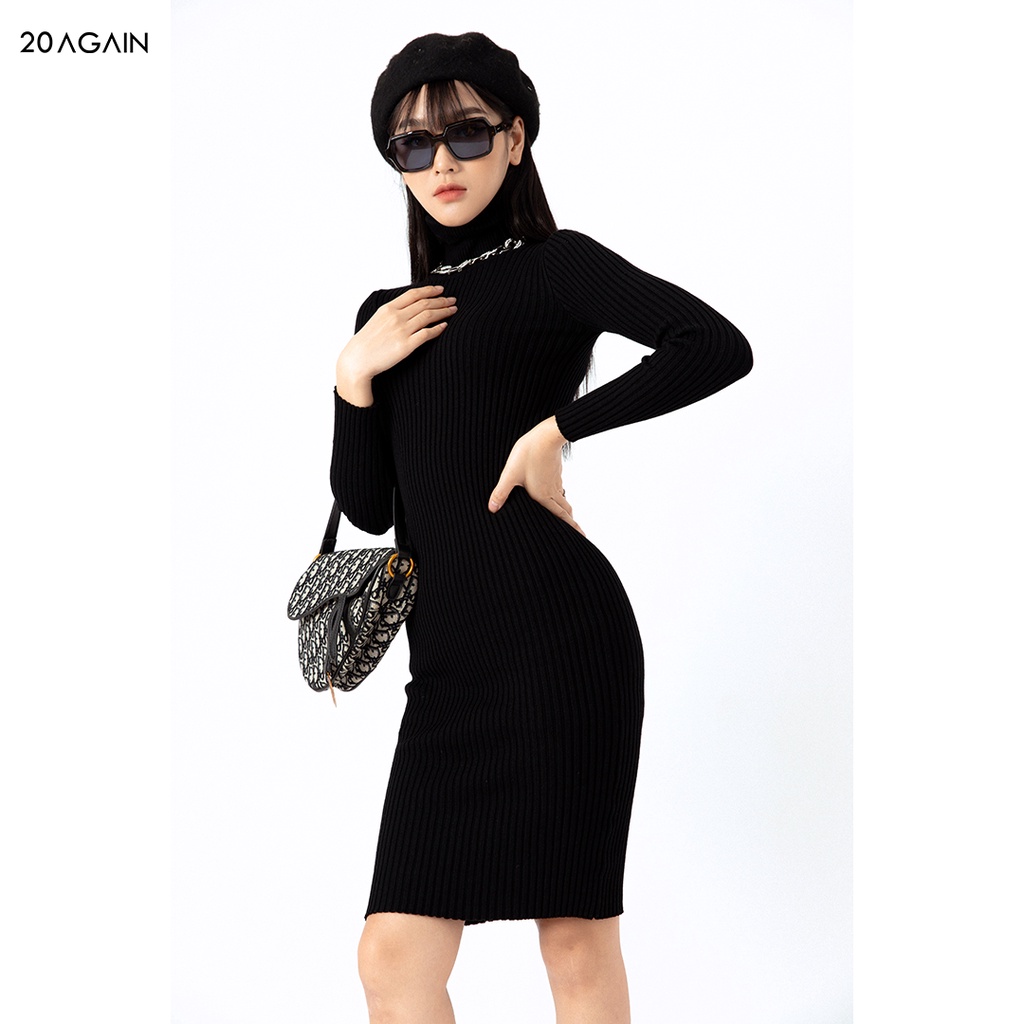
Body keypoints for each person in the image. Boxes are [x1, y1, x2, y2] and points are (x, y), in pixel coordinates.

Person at [330, 31, 753, 1024]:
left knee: (572, 938)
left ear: (515, 140)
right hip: (447, 666)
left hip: (559, 640)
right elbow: (370, 507)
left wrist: (557, 428)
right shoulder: (386, 314)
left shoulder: (556, 268)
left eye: (467, 134)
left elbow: (712, 344)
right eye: (413, 143)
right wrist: (351, 378)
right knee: (391, 955)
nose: (441, 161)